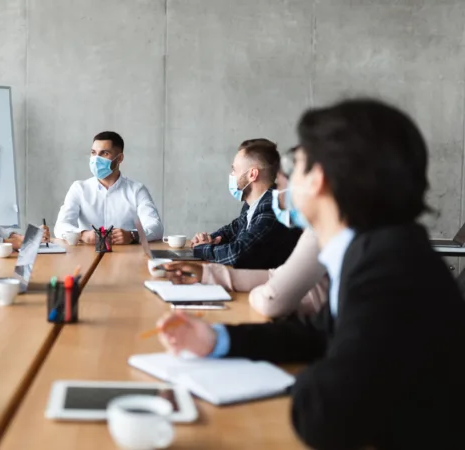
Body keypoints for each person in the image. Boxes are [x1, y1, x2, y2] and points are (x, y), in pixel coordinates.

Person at [157, 99, 465, 449]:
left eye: (294, 165)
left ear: (318, 179)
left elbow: (323, 416)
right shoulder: (371, 249)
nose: (282, 183)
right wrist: (216, 340)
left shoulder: (388, 270)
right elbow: (316, 335)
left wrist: (296, 381)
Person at [161, 168, 327, 318]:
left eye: (283, 185)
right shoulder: (314, 231)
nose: (277, 193)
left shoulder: (317, 235)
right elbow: (274, 276)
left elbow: (270, 300)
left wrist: (259, 292)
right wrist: (206, 273)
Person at [191, 139, 299, 269]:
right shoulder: (253, 203)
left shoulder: (273, 207)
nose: (231, 175)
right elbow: (232, 229)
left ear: (252, 174)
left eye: (234, 170)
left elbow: (238, 255)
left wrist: (202, 249)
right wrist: (209, 239)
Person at [54, 131, 163, 245]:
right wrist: (82, 234)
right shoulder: (79, 189)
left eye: (104, 153)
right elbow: (61, 226)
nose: (96, 159)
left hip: (126, 254)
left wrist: (132, 235)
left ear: (119, 158)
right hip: (87, 253)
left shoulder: (137, 190)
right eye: (93, 153)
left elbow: (156, 227)